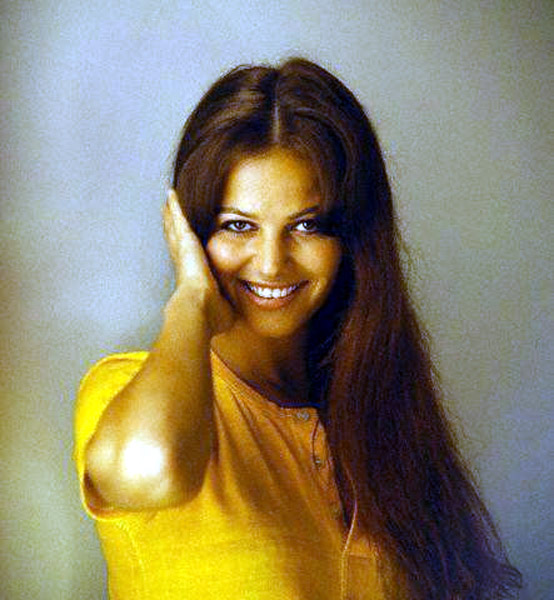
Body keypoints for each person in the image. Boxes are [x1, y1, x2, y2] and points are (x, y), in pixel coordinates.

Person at [74, 58, 521, 599]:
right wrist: (191, 299)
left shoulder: (380, 420)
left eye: (306, 225)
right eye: (238, 225)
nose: (270, 264)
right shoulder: (124, 394)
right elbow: (153, 468)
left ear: (350, 238)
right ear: (190, 232)